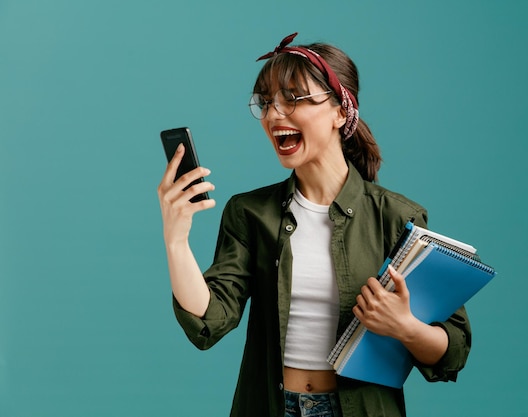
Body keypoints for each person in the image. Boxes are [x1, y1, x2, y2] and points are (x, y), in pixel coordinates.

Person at [157, 32, 471, 417]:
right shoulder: (250, 213)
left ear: (341, 110)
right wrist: (176, 240)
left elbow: (452, 348)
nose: (274, 115)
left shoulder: (396, 217)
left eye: (293, 99)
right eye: (267, 102)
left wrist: (405, 326)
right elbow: (210, 320)